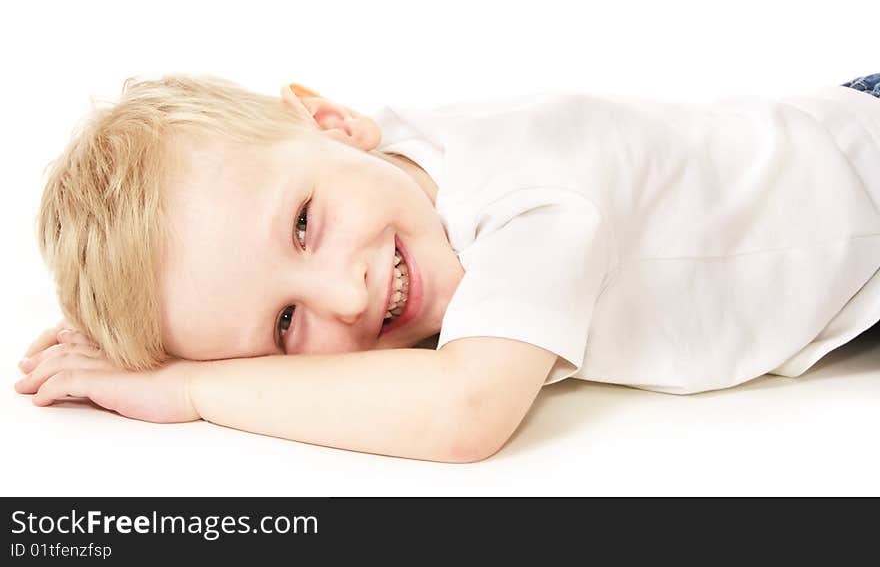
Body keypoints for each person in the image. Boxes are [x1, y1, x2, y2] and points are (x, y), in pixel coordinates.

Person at [16, 73, 880, 463]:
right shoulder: (377, 166)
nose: (345, 293)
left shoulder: (529, 196)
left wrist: (193, 391)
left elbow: (464, 412)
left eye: (306, 226)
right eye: (283, 327)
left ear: (330, 119)